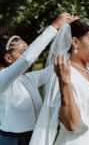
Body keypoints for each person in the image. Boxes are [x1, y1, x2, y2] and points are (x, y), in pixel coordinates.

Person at [0, 12, 73, 145]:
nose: (30, 56)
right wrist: (54, 26)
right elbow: (27, 59)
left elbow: (59, 63)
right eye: (23, 52)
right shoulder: (2, 78)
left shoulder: (31, 78)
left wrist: (73, 33)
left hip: (33, 138)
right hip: (10, 141)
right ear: (8, 58)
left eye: (29, 50)